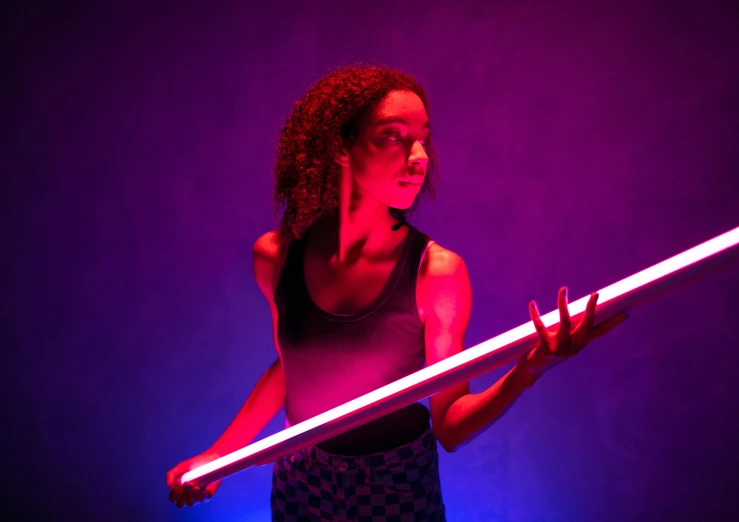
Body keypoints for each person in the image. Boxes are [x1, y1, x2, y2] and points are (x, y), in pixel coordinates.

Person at [166, 64, 628, 521]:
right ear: (340, 149)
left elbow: (450, 425)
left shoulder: (436, 273)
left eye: (423, 137)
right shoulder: (276, 258)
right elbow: (292, 370)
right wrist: (218, 456)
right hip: (299, 481)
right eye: (394, 136)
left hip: (397, 484)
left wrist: (530, 368)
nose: (420, 155)